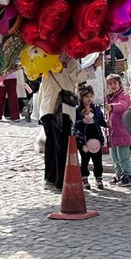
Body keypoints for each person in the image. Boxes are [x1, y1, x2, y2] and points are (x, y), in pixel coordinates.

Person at [37, 56, 92, 191]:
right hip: (63, 109)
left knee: (51, 145)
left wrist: (40, 112)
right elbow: (78, 77)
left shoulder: (45, 60)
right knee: (62, 146)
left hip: (47, 108)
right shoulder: (69, 60)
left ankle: (49, 178)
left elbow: (41, 88)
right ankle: (61, 180)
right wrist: (93, 67)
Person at [73, 84, 107, 190]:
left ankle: (98, 178)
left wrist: (107, 124)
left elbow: (100, 120)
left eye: (91, 96)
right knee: (85, 159)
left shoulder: (96, 108)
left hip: (95, 136)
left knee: (98, 159)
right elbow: (74, 125)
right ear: (81, 97)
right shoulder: (78, 110)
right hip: (84, 137)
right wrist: (82, 121)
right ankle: (84, 178)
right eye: (86, 96)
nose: (89, 99)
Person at [105, 74, 131, 186]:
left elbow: (123, 105)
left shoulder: (124, 95)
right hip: (113, 132)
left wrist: (112, 107)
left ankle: (127, 176)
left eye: (115, 83)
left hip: (122, 132)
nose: (112, 85)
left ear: (119, 84)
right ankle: (118, 174)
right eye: (110, 83)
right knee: (114, 157)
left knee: (123, 156)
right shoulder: (108, 97)